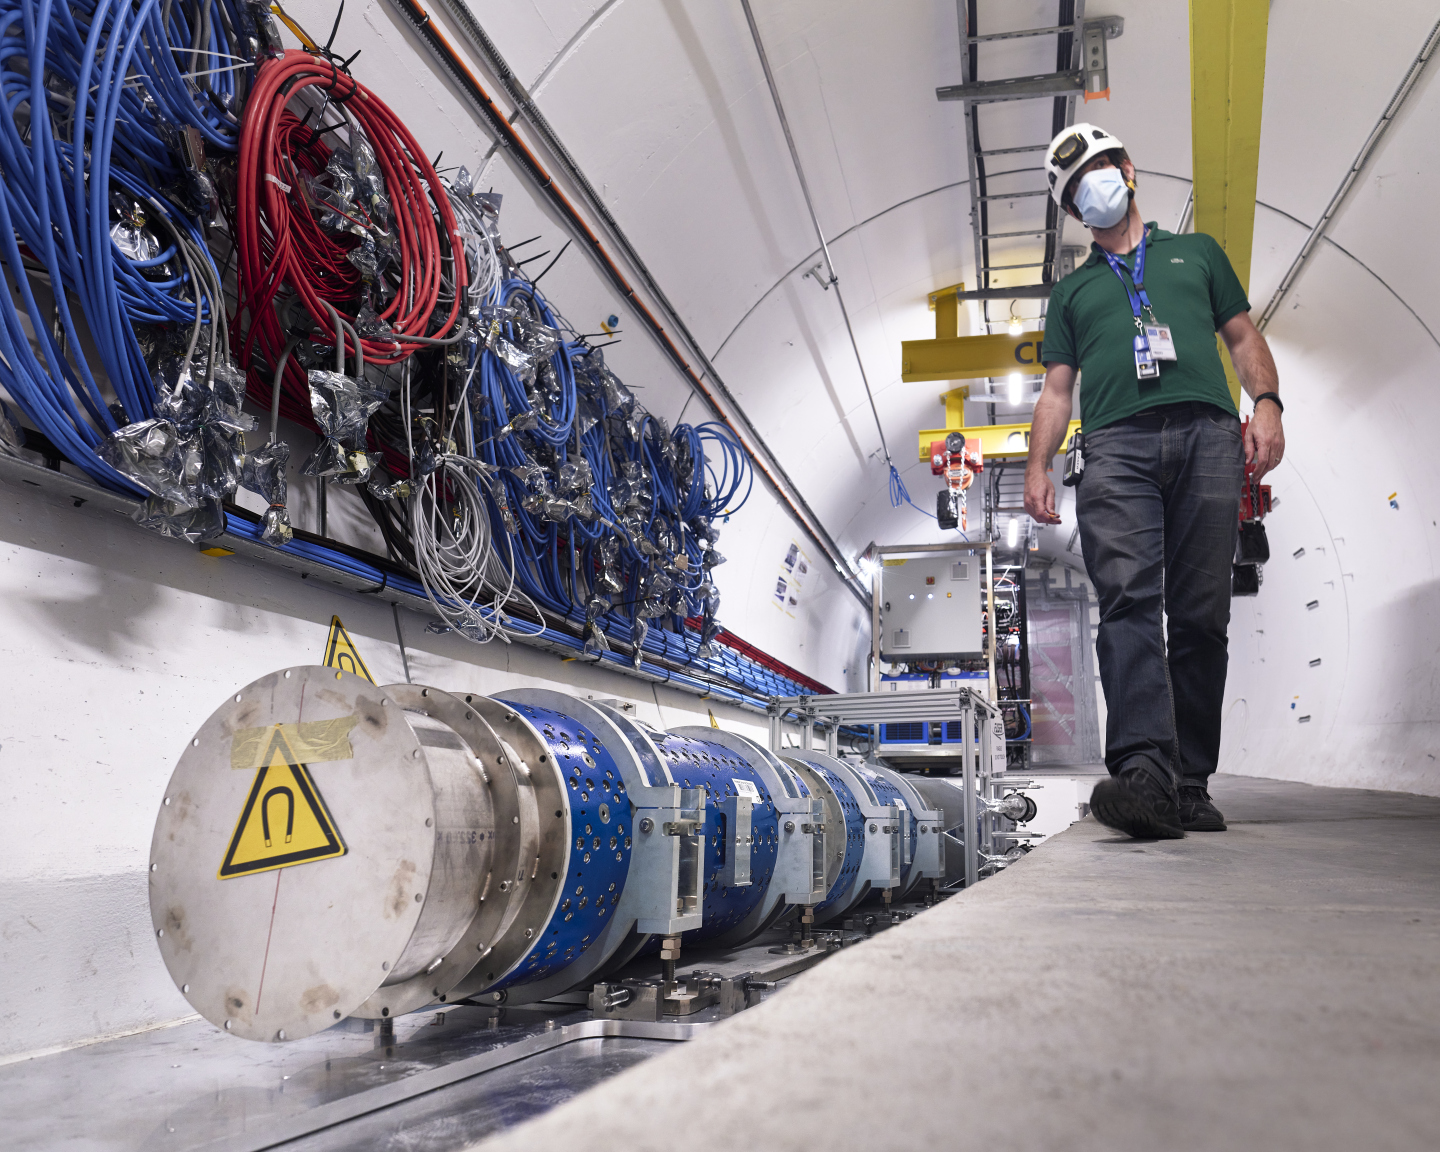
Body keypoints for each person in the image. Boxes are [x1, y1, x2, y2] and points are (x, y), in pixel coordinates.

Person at [1023, 124, 1285, 839]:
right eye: (1078, 188)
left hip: (1208, 435)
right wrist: (1038, 464)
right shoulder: (1072, 292)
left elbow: (1241, 335)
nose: (1095, 187)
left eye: (1101, 169)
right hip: (1115, 448)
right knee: (1128, 601)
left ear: (1128, 169)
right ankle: (1144, 771)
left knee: (1201, 614)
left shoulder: (1196, 254)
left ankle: (1190, 782)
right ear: (1073, 211)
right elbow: (1056, 391)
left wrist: (1266, 402)